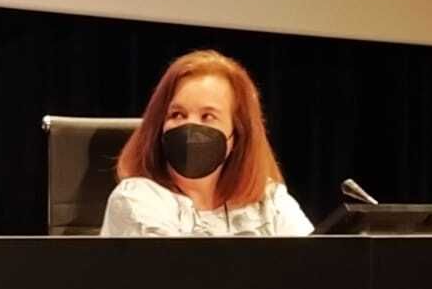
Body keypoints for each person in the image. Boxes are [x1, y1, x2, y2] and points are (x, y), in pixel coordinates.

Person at [100, 50, 312, 237]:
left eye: (207, 117)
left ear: (236, 135)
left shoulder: (270, 200)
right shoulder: (135, 198)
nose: (190, 127)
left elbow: (314, 265)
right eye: (177, 114)